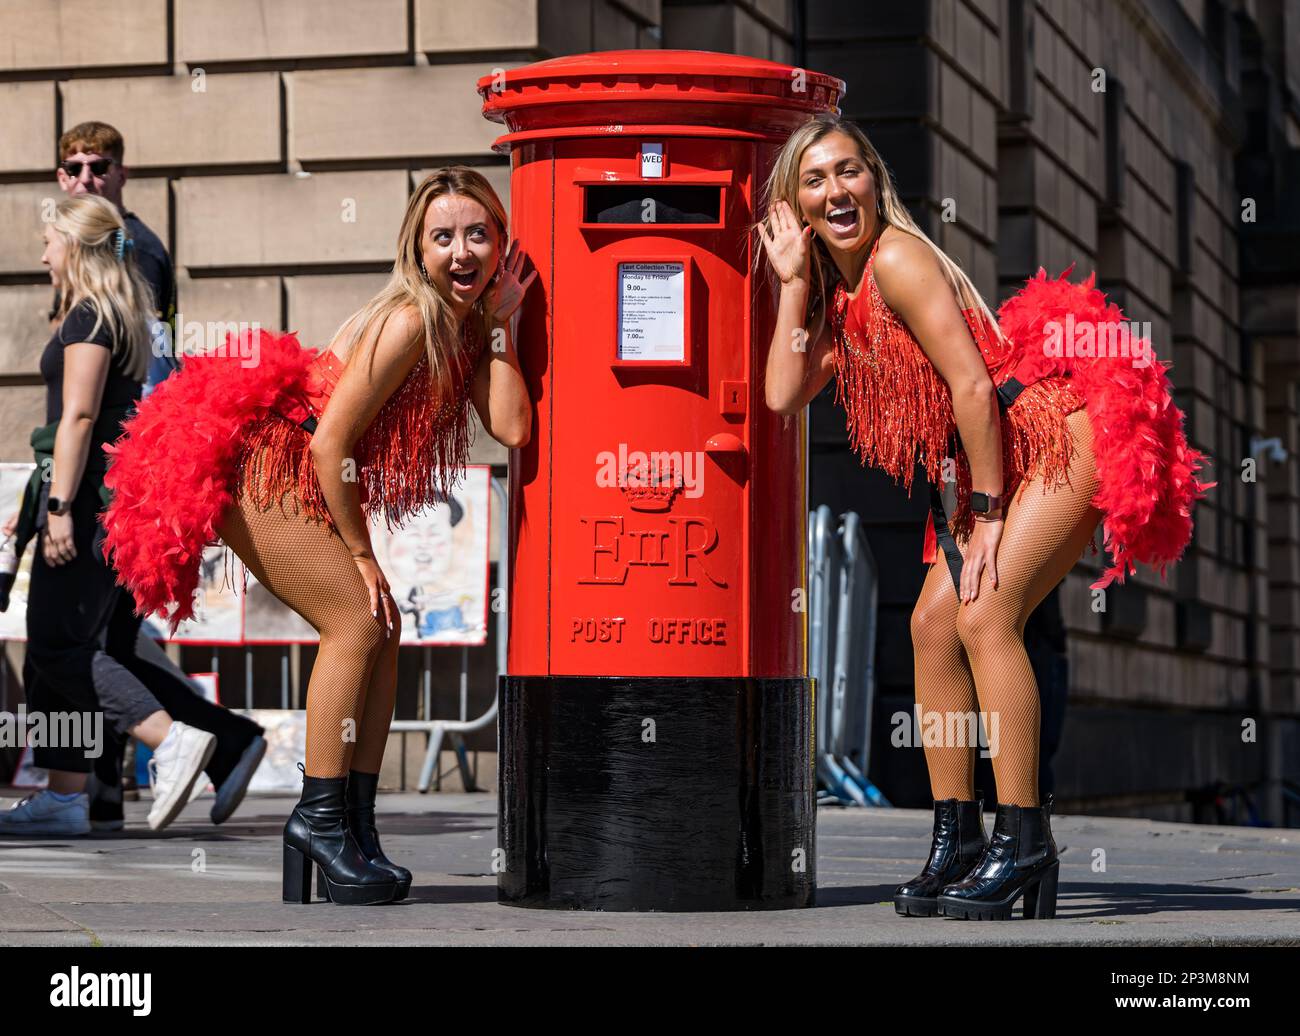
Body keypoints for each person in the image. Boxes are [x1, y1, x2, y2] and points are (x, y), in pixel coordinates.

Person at [760, 113, 1214, 920]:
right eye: (815, 179)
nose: (837, 189)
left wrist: (990, 516)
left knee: (985, 617)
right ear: (796, 205)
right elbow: (781, 395)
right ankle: (958, 838)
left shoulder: (896, 256)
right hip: (988, 460)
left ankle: (1024, 841)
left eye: (849, 171)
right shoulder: (842, 291)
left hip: (1045, 435)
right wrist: (793, 279)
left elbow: (971, 387)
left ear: (875, 181)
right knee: (930, 629)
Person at [98, 168, 533, 904]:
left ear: (499, 242)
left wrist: (499, 322)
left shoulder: (464, 324)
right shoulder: (408, 320)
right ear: (416, 250)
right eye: (443, 237)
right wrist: (363, 557)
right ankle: (320, 821)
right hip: (268, 462)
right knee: (356, 620)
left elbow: (516, 427)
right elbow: (333, 444)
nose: (462, 251)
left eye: (478, 234)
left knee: (381, 631)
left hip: (303, 469)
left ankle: (353, 828)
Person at [52, 120, 266, 830]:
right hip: (129, 472)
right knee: (106, 641)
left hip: (123, 475)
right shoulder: (103, 245)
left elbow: (139, 378)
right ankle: (111, 787)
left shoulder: (124, 248)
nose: (86, 177)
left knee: (81, 642)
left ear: (122, 172)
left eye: (99, 166)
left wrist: (142, 476)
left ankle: (182, 749)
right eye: (73, 167)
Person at [0, 196, 233, 837]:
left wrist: (57, 510)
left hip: (85, 502)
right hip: (107, 501)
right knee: (59, 649)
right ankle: (65, 794)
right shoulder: (124, 314)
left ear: (74, 246)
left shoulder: (89, 317)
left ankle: (170, 738)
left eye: (50, 241)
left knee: (56, 644)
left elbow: (77, 418)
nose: (43, 254)